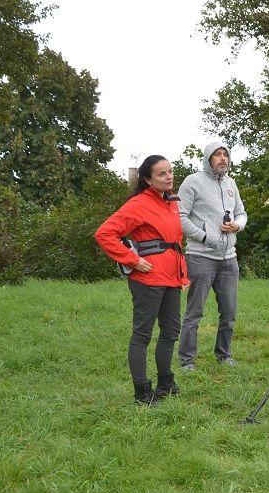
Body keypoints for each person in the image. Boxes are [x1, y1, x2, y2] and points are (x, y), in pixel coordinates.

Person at [95, 155, 188, 405]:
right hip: (147, 277)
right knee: (142, 334)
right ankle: (142, 392)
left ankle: (165, 383)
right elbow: (105, 233)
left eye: (170, 172)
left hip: (171, 276)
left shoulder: (171, 202)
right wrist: (132, 260)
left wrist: (182, 274)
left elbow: (174, 242)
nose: (168, 176)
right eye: (161, 174)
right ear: (147, 179)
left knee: (170, 331)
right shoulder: (138, 204)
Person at [177, 142, 247, 370]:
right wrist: (205, 236)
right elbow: (180, 216)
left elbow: (241, 212)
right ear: (208, 158)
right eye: (217, 155)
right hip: (201, 257)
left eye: (225, 154)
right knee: (194, 312)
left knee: (229, 312)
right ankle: (187, 361)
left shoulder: (231, 184)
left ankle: (224, 355)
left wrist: (237, 226)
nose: (222, 158)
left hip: (229, 258)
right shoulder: (192, 182)